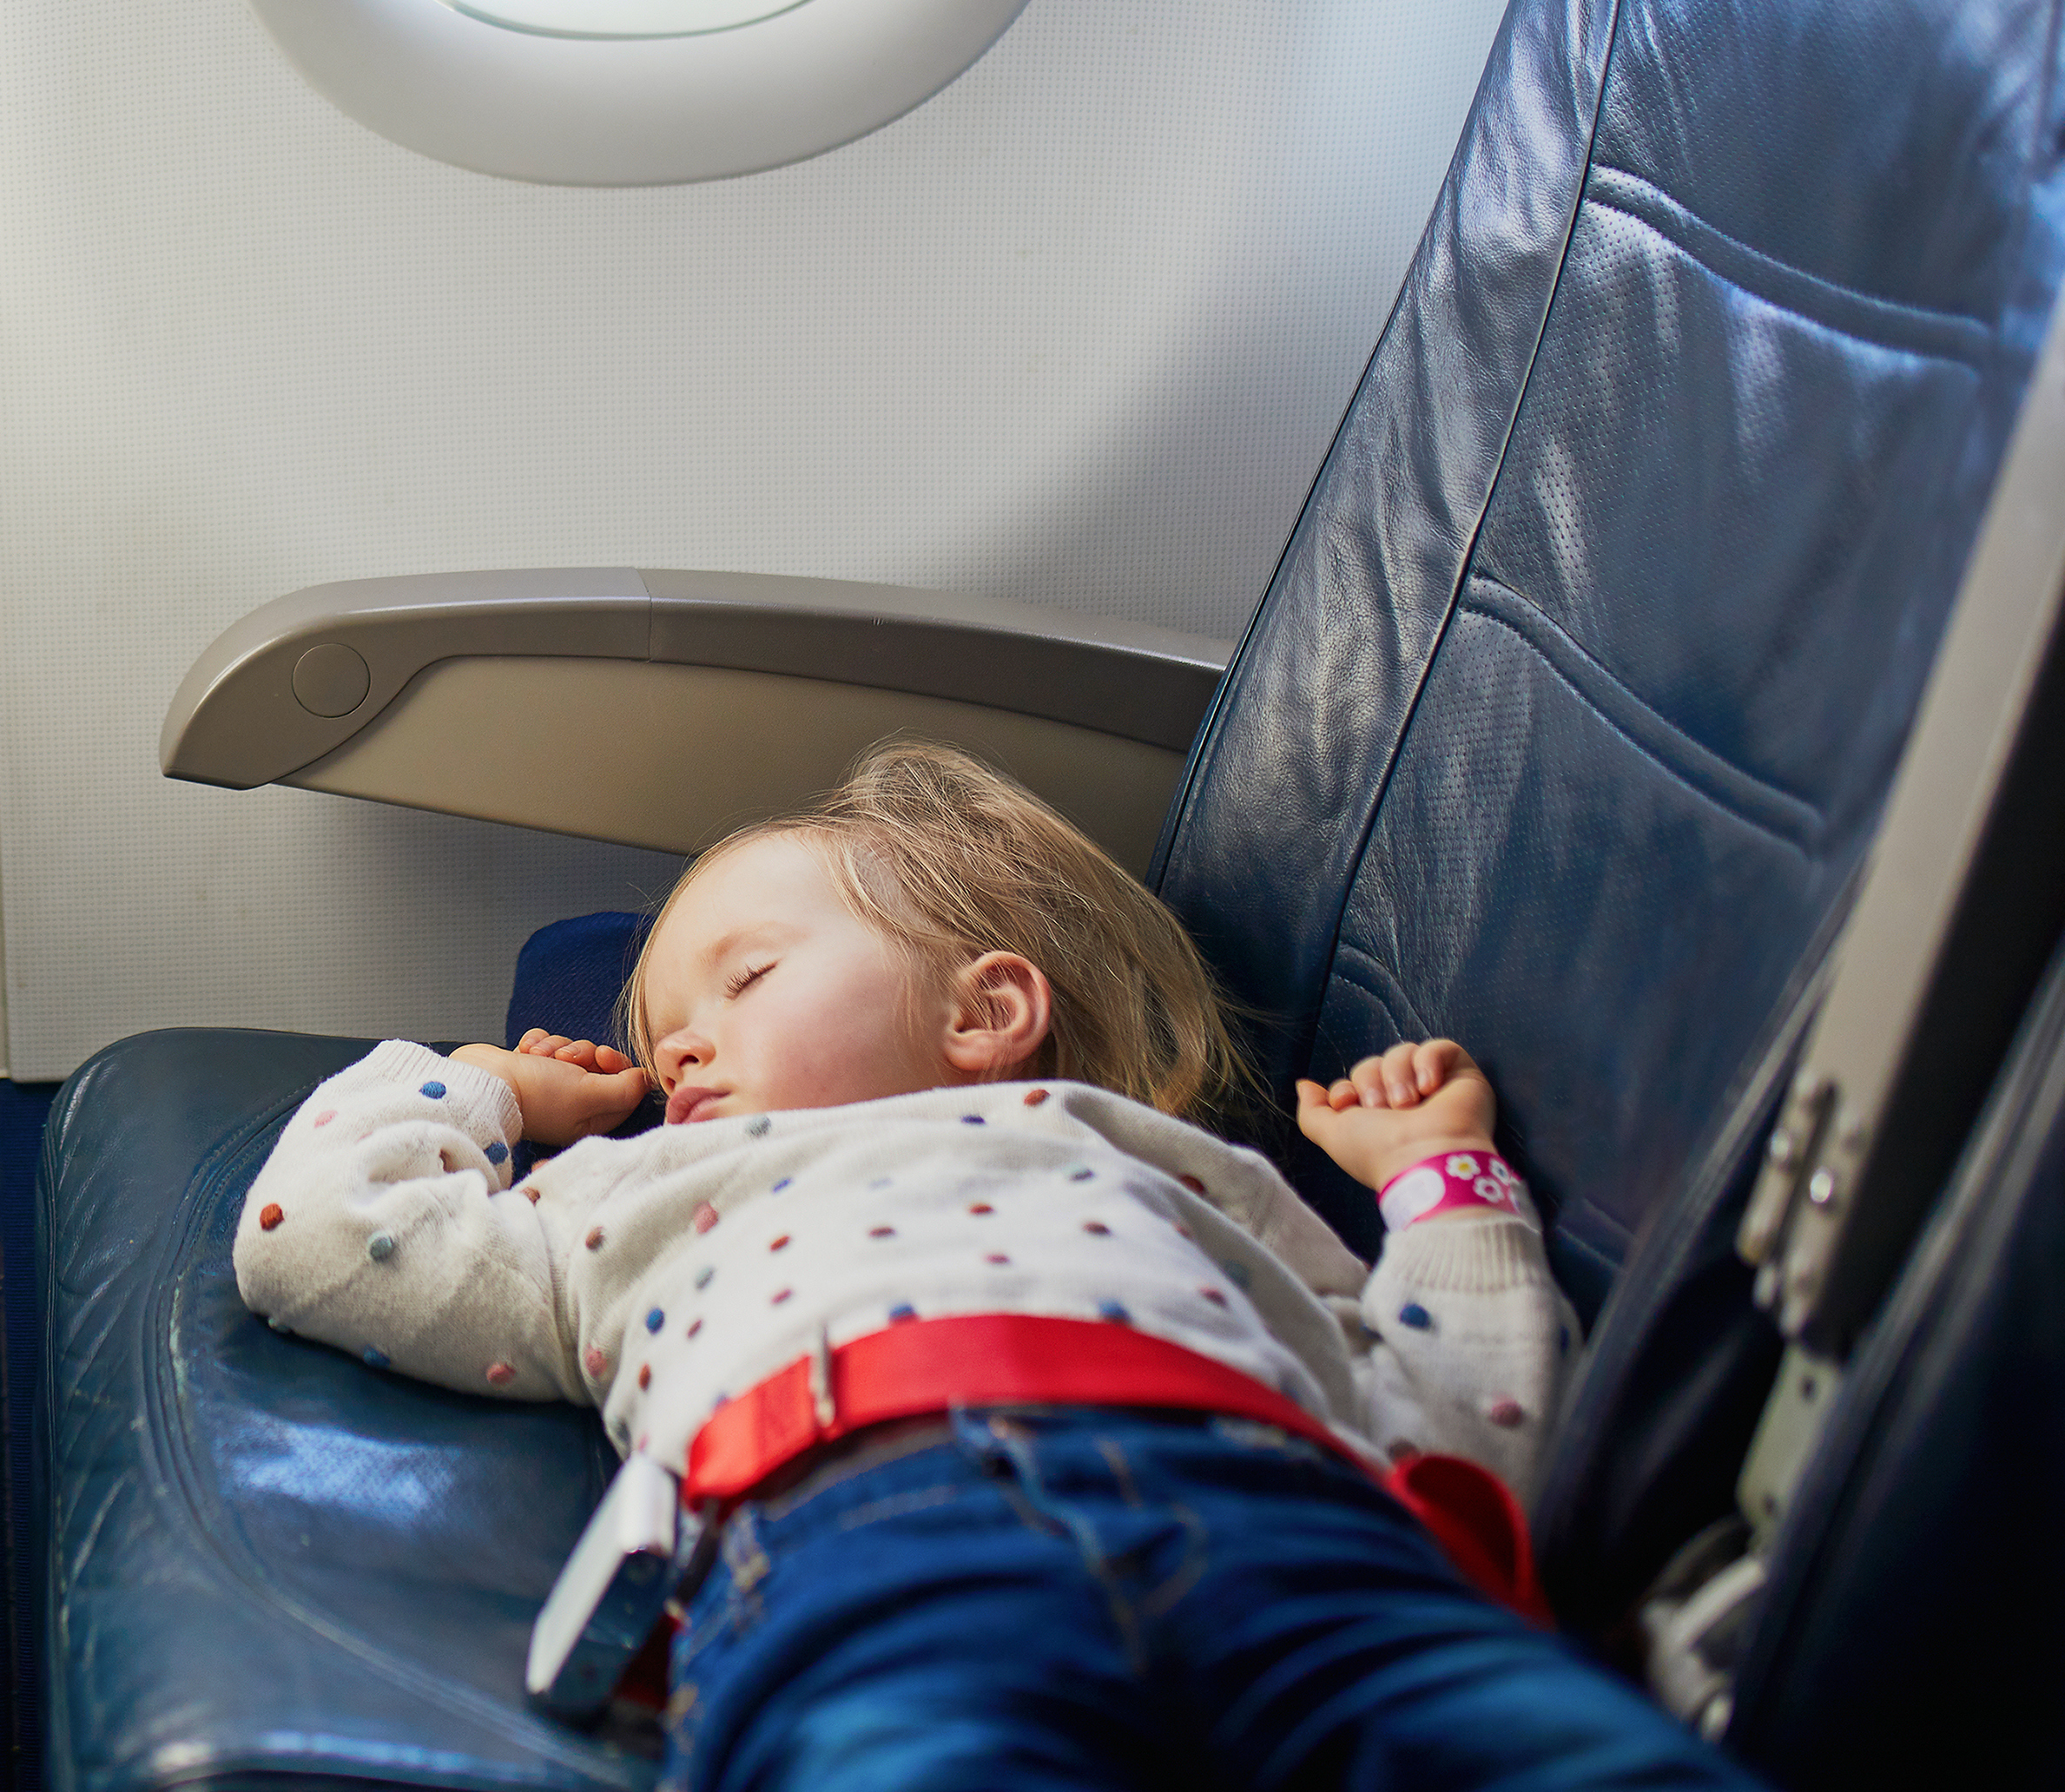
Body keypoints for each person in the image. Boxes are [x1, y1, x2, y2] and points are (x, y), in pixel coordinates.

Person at [231, 740, 1753, 1789]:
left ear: (985, 1013)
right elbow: (315, 1242)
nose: (676, 1045)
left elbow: (1459, 1426)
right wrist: (486, 1089)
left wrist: (1442, 1182)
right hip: (879, 1550)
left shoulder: (1175, 1169)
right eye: (654, 1037)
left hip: (1301, 1534)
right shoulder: (631, 1191)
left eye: (746, 978)